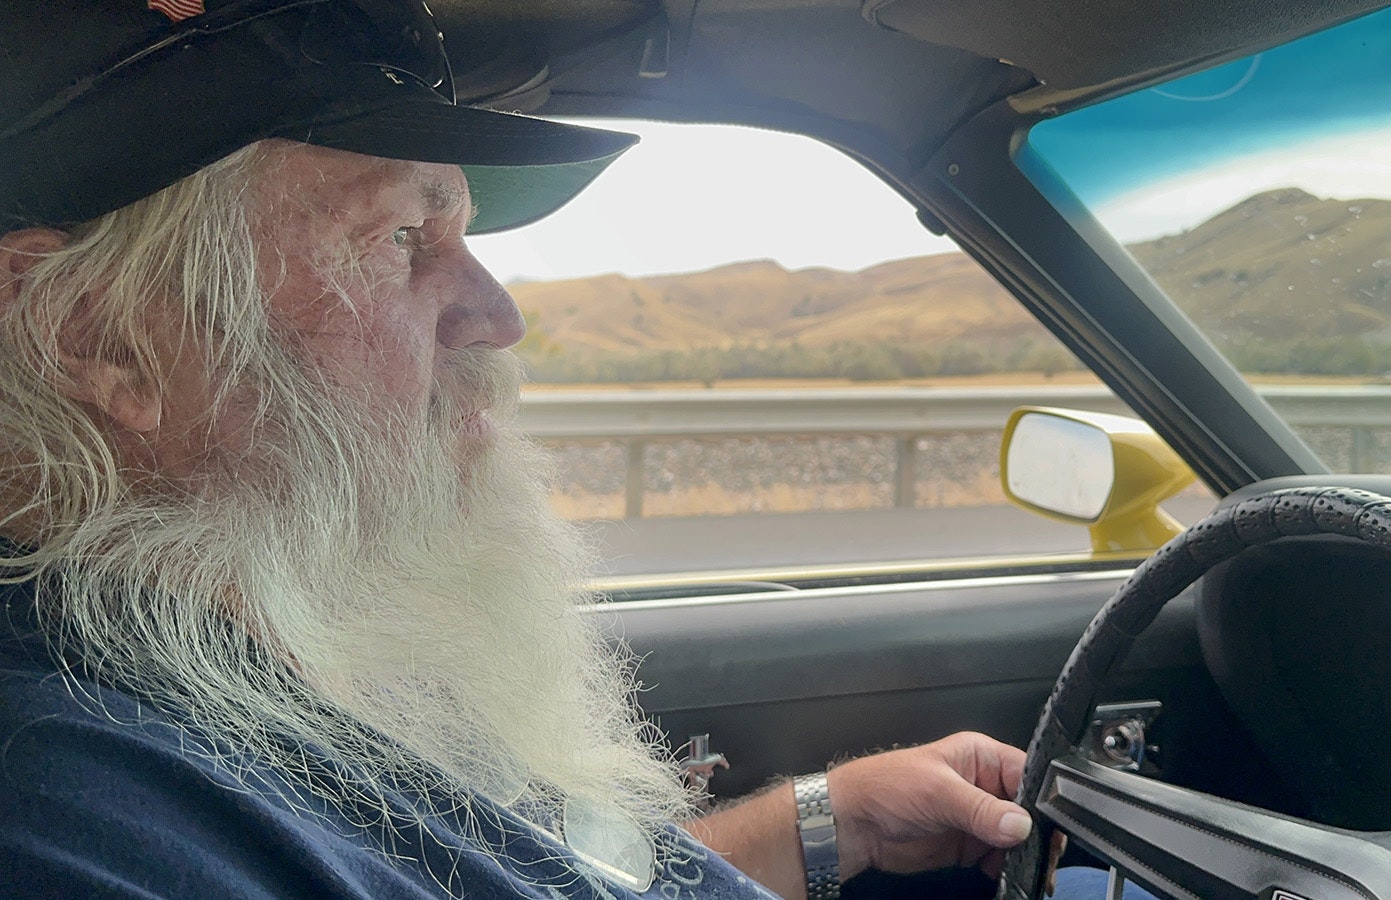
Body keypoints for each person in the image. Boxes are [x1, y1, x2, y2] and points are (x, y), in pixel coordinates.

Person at [0, 2, 1153, 898]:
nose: (496, 314)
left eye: (460, 230)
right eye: (403, 236)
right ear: (96, 336)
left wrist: (818, 822)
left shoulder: (229, 640)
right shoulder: (68, 822)